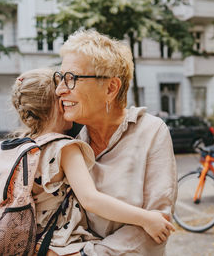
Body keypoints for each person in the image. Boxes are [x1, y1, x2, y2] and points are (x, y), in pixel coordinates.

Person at [11, 69, 175, 255]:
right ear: (58, 105)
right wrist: (147, 219)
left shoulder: (24, 146)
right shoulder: (64, 148)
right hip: (59, 244)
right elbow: (91, 199)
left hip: (34, 239)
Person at [55, 30, 177, 255]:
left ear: (110, 88)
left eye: (71, 78)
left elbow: (157, 227)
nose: (60, 89)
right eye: (60, 77)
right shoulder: (68, 144)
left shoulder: (151, 132)